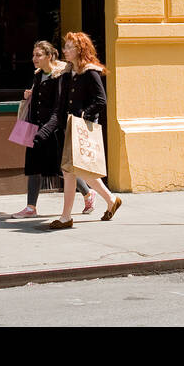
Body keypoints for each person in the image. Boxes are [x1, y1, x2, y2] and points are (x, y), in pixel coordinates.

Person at [9, 41, 94, 219]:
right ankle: (31, 207)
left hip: (53, 129)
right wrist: (29, 95)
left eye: (38, 55)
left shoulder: (60, 76)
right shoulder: (38, 75)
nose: (34, 59)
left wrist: (48, 128)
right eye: (33, 55)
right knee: (33, 166)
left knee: (61, 168)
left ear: (49, 56)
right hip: (35, 126)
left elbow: (59, 107)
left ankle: (88, 193)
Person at [48, 32, 121, 230]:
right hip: (69, 128)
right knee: (73, 171)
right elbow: (62, 103)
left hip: (81, 128)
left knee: (76, 171)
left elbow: (101, 101)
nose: (65, 50)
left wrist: (83, 115)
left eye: (69, 47)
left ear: (80, 49)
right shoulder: (68, 72)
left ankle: (66, 217)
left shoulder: (90, 72)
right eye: (65, 46)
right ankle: (110, 200)